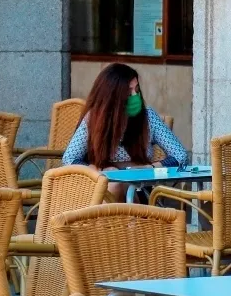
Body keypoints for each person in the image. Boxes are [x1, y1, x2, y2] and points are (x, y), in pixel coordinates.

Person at [63, 63, 189, 201]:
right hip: (99, 187)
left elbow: (181, 155)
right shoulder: (93, 119)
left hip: (138, 188)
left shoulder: (148, 118)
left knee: (120, 188)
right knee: (114, 186)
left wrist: (151, 167)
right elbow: (69, 159)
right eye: (129, 92)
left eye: (137, 90)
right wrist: (95, 170)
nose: (135, 96)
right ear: (112, 96)